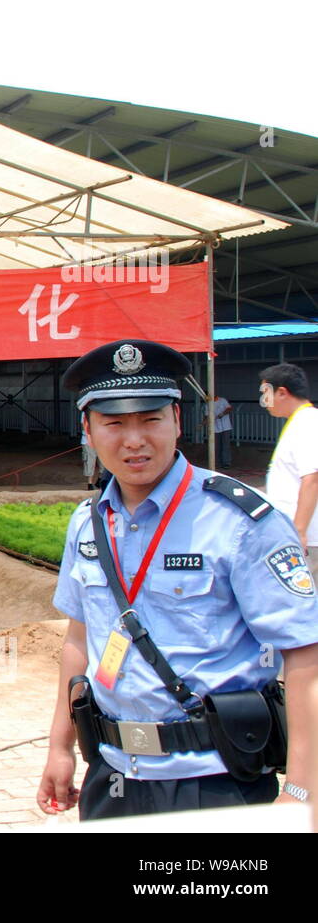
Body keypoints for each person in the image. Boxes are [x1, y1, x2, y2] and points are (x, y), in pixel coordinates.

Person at [37, 339, 318, 820]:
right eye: (114, 422)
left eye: (150, 420)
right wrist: (60, 748)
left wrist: (302, 793)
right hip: (113, 773)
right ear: (87, 429)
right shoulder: (88, 522)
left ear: (177, 421)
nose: (134, 440)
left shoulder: (240, 521)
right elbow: (79, 640)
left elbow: (305, 653)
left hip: (215, 780)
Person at [259, 363, 318, 565]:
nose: (264, 401)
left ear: (282, 392)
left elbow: (312, 479)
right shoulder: (299, 421)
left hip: (307, 538)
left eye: (266, 393)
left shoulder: (307, 423)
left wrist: (299, 531)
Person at [212, 394, 233, 470]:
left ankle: (226, 463)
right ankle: (216, 463)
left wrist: (223, 414)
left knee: (225, 445)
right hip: (215, 428)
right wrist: (201, 424)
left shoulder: (222, 400)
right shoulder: (208, 404)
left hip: (226, 427)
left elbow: (229, 408)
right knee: (216, 446)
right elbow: (207, 416)